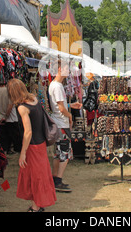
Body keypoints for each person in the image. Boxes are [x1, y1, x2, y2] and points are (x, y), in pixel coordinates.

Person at [7, 79, 57, 212]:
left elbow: (28, 132)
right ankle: (38, 204)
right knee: (40, 175)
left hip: (33, 146)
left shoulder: (22, 108)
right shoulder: (34, 99)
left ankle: (35, 207)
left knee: (35, 177)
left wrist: (23, 152)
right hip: (41, 143)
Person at [48, 60, 82, 193]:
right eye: (67, 68)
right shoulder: (57, 86)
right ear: (60, 68)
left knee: (59, 153)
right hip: (61, 123)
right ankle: (58, 180)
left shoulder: (54, 85)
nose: (69, 71)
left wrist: (69, 106)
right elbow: (60, 108)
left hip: (58, 122)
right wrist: (70, 115)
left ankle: (55, 179)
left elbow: (58, 106)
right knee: (65, 153)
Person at [0, 81, 21, 154]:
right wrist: (6, 116)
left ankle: (5, 151)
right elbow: (10, 105)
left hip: (0, 118)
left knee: (3, 138)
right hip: (11, 119)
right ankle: (15, 151)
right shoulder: (9, 91)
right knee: (15, 137)